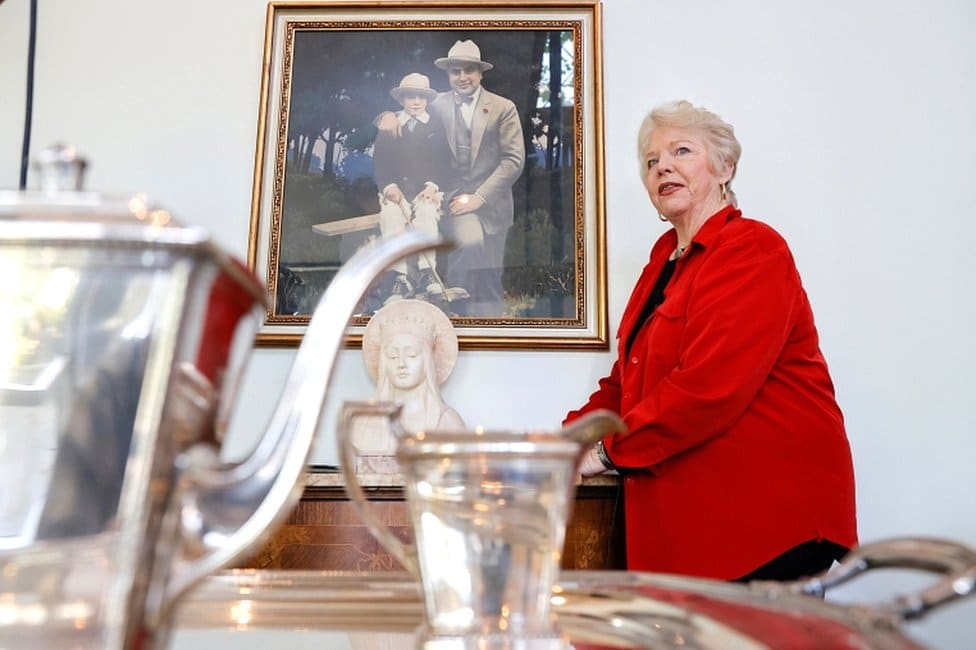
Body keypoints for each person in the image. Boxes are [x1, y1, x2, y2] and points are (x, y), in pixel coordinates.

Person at [566, 100, 857, 582]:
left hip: (763, 519)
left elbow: (707, 388)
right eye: (651, 161)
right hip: (693, 525)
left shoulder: (753, 250)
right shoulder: (664, 261)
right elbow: (626, 382)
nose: (663, 167)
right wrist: (566, 441)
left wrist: (603, 452)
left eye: (681, 150)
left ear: (725, 168)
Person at [377, 39, 525, 317]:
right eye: (455, 71)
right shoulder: (437, 103)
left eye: (469, 70)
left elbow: (513, 161)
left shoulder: (503, 108)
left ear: (481, 73)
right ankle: (455, 321)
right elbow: (407, 111)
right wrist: (384, 117)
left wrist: (479, 197)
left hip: (490, 203)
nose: (462, 77)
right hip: (450, 198)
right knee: (467, 247)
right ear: (448, 75)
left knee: (488, 278)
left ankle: (493, 336)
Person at [352, 299, 465, 472]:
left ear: (427, 361)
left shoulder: (448, 423)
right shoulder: (362, 424)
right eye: (392, 355)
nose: (401, 363)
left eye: (412, 355)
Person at [372, 73, 451, 303]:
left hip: (425, 189)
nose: (416, 102)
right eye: (410, 97)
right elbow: (380, 161)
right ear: (401, 100)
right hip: (396, 191)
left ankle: (428, 273)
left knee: (427, 212)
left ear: (427, 100)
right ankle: (402, 277)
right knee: (390, 216)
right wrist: (388, 186)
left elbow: (443, 160)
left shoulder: (435, 125)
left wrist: (433, 185)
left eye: (421, 97)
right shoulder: (391, 124)